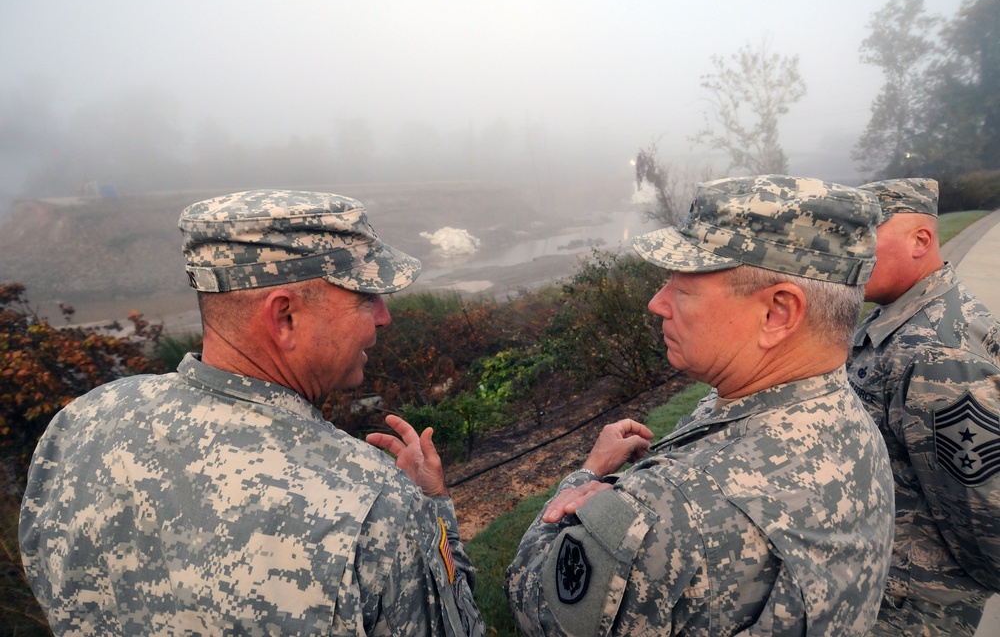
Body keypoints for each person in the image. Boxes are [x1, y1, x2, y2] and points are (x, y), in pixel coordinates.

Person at [19, 189, 485, 636]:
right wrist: (431, 509)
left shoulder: (80, 424)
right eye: (366, 297)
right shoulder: (376, 504)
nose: (384, 316)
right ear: (284, 318)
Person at [505, 175, 895, 636]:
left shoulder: (673, 510)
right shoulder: (846, 418)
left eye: (682, 289)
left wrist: (584, 485)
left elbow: (536, 605)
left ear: (777, 314)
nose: (657, 303)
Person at [848, 178, 1000, 636]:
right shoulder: (900, 318)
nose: (851, 252)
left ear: (921, 240)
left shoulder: (941, 353)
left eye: (866, 236)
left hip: (910, 610)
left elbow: (986, 519)